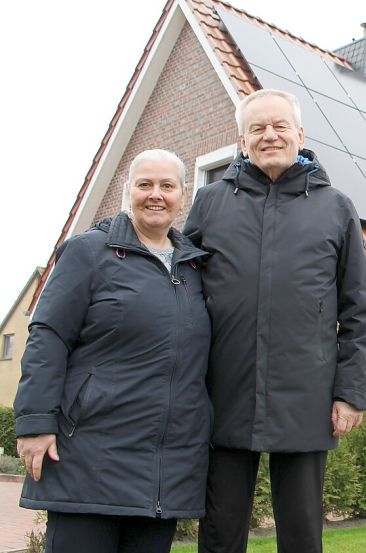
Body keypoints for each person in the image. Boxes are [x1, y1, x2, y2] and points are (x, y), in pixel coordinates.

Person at [185, 88, 366, 553]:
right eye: (257, 128)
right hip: (224, 391)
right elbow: (181, 293)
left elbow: (359, 309)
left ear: (299, 134)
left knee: (302, 532)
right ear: (242, 139)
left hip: (306, 395)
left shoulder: (336, 207)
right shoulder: (209, 203)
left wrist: (350, 394)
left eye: (279, 126)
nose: (269, 135)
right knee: (219, 529)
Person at [14, 149, 211, 553]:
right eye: (144, 184)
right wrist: (35, 422)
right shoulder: (89, 252)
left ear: (182, 194)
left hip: (163, 473)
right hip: (90, 459)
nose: (155, 195)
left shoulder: (195, 268)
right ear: (127, 192)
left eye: (167, 186)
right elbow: (48, 337)